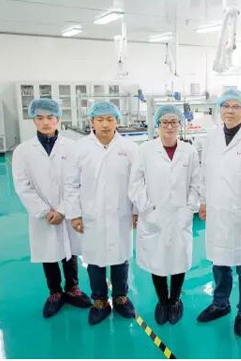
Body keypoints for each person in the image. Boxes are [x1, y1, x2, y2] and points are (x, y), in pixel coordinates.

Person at [12, 98, 91, 318]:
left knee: (70, 250)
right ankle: (55, 292)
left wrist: (63, 209)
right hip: (43, 215)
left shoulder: (73, 147)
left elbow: (79, 181)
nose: (45, 122)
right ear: (33, 120)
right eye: (40, 118)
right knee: (48, 251)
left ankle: (73, 288)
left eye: (50, 117)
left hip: (67, 210)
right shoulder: (23, 151)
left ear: (58, 119)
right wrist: (45, 211)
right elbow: (22, 186)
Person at [196, 89, 241, 337]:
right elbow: (205, 173)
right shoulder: (211, 138)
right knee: (220, 263)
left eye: (236, 106)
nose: (230, 111)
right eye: (226, 106)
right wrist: (203, 201)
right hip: (217, 213)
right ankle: (220, 303)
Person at [65, 101, 139, 325]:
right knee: (94, 260)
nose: (105, 124)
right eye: (100, 119)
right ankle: (99, 301)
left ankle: (121, 298)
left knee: (121, 258)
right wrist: (74, 214)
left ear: (117, 121)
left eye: (110, 119)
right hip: (92, 215)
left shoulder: (130, 148)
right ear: (92, 122)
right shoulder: (79, 148)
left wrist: (136, 211)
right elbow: (71, 184)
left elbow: (137, 183)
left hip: (121, 214)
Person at [128, 105, 200, 326]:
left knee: (179, 259)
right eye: (164, 122)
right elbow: (135, 183)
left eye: (174, 122)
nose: (169, 126)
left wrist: (189, 208)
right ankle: (162, 302)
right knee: (157, 260)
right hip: (154, 214)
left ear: (180, 125)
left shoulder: (189, 151)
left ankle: (175, 300)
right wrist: (146, 208)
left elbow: (196, 183)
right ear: (157, 125)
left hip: (180, 216)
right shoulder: (145, 150)